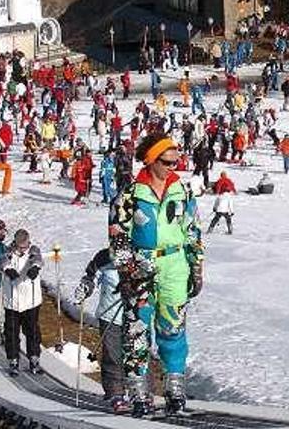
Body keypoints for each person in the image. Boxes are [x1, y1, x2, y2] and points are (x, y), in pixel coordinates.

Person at [109, 132, 204, 416]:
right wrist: (126, 273)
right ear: (151, 160)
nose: (173, 167)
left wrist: (196, 266)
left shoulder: (182, 191)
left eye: (176, 162)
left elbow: (193, 230)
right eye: (167, 162)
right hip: (141, 264)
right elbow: (118, 236)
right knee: (137, 328)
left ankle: (174, 386)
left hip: (175, 263)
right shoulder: (129, 195)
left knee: (173, 326)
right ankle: (138, 390)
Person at [73, 248, 127, 413]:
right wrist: (85, 288)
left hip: (136, 315)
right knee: (112, 354)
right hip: (109, 314)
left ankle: (139, 391)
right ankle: (115, 393)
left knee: (136, 354)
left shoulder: (140, 255)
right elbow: (90, 277)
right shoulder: (103, 257)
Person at [0, 229, 44, 377]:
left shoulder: (33, 251)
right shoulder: (7, 252)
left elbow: (38, 259)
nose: (23, 249)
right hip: (12, 301)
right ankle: (13, 361)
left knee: (32, 332)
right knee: (11, 332)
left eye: (24, 245)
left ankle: (34, 359)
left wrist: (35, 268)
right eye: (20, 246)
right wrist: (8, 269)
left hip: (31, 301)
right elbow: (1, 262)